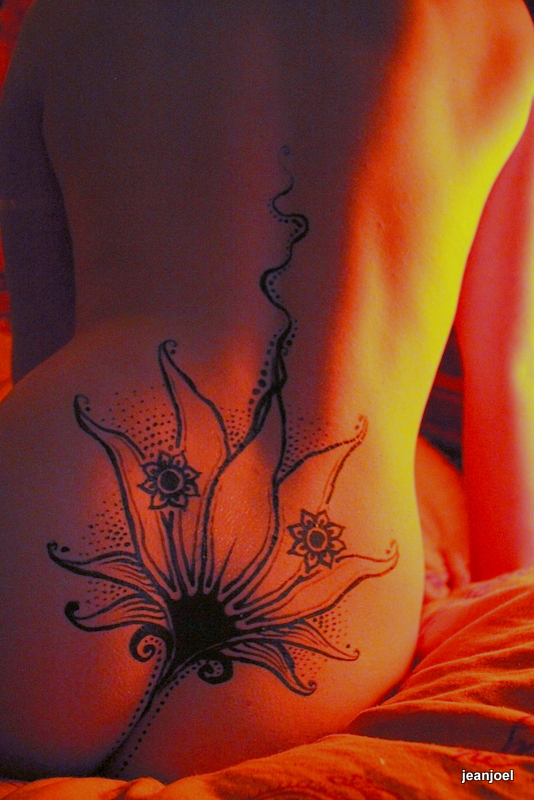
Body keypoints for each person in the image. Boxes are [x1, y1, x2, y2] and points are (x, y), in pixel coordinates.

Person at [0, 0, 533, 784]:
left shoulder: (64, 13)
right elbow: (508, 378)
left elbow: (46, 342)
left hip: (46, 537)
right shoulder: (501, 30)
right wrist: (505, 612)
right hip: (330, 623)